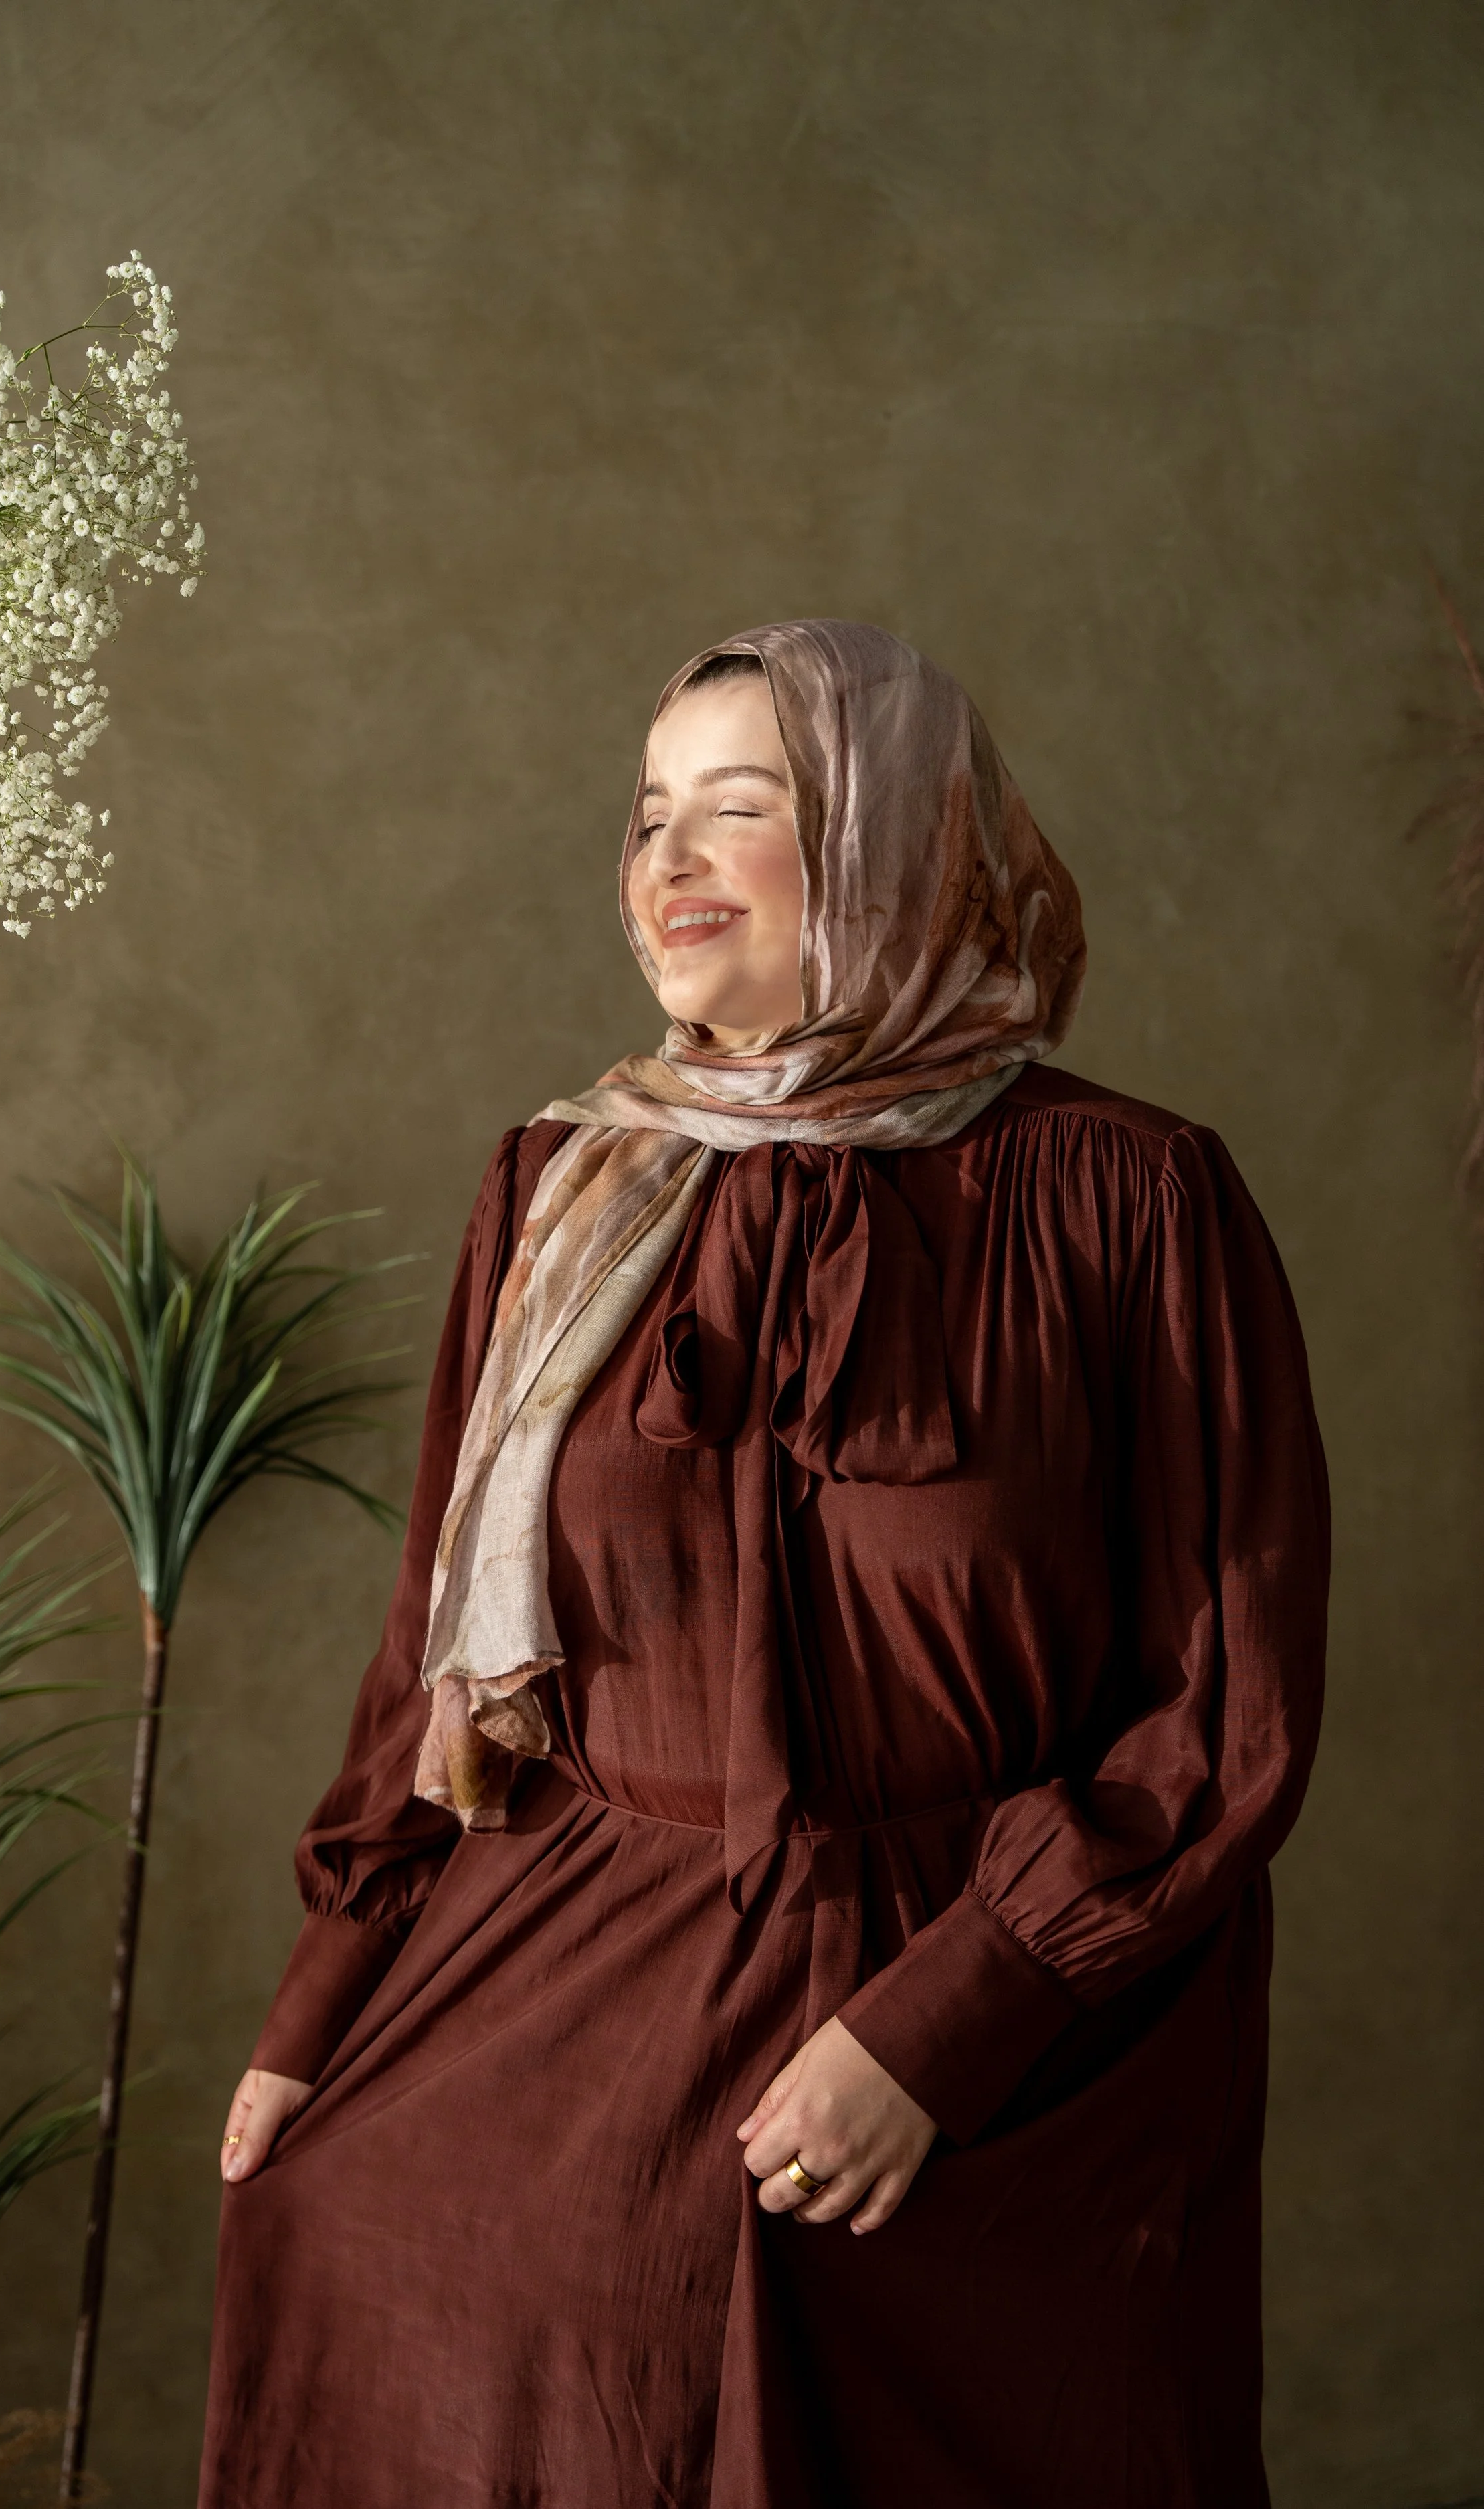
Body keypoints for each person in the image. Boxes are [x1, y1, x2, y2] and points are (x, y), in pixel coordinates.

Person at [197, 620, 1328, 2509]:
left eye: (743, 807)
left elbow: (1219, 1705)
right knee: (367, 2264)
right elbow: (435, 1651)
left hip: (992, 1983)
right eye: (648, 813)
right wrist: (328, 1996)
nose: (668, 859)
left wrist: (945, 2024)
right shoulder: (560, 1181)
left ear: (899, 848)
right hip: (574, 1947)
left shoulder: (1128, 1197)